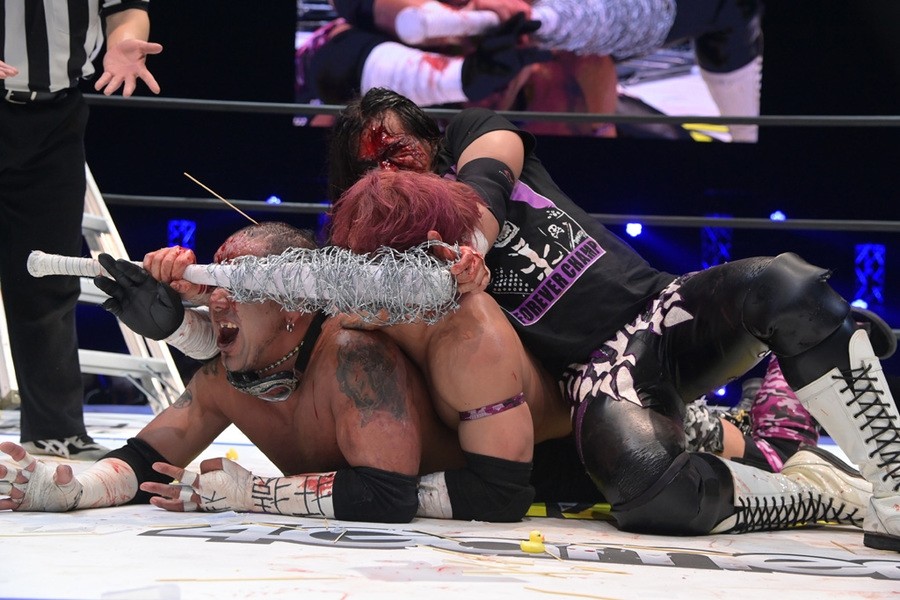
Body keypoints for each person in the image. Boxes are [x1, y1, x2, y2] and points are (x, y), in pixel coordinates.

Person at [324, 87, 899, 551]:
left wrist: (467, 249)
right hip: (596, 378)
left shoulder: (475, 134)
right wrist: (420, 285)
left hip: (660, 307)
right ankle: (820, 493)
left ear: (432, 140)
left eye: (399, 151)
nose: (391, 170)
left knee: (786, 288)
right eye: (373, 166)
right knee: (659, 496)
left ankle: (895, 491)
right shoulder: (388, 253)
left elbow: (487, 188)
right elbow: (351, 305)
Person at [0, 222, 465, 522]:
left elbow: (388, 495)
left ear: (291, 304)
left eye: (237, 282)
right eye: (214, 278)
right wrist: (70, 490)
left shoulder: (354, 355)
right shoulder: (226, 377)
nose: (217, 298)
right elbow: (144, 460)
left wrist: (250, 493)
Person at [0, 0, 162, 460]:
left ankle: (56, 432)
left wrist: (124, 39)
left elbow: (126, 7)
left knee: (49, 272)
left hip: (57, 115)